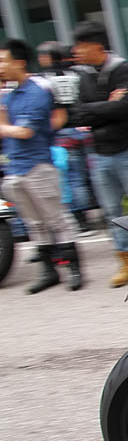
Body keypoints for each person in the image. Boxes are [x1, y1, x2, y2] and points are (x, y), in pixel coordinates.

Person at [71, 21, 128, 287]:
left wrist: (95, 110)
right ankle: (125, 261)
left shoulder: (123, 69)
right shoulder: (83, 75)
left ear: (97, 46)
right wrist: (105, 106)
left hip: (127, 151)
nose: (77, 52)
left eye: (81, 46)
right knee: (111, 210)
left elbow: (124, 108)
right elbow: (77, 112)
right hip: (98, 153)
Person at [0, 39, 83, 292]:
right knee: (33, 223)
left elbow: (25, 131)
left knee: (56, 219)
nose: (0, 67)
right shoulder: (11, 94)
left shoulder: (36, 91)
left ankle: (73, 269)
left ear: (19, 62)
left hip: (38, 166)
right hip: (14, 168)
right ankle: (49, 271)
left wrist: (4, 126)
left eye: (3, 61)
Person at [37, 42, 96, 234]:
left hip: (63, 132)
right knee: (92, 174)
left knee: (73, 178)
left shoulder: (43, 79)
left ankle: (82, 220)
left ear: (48, 58)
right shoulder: (79, 74)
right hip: (85, 129)